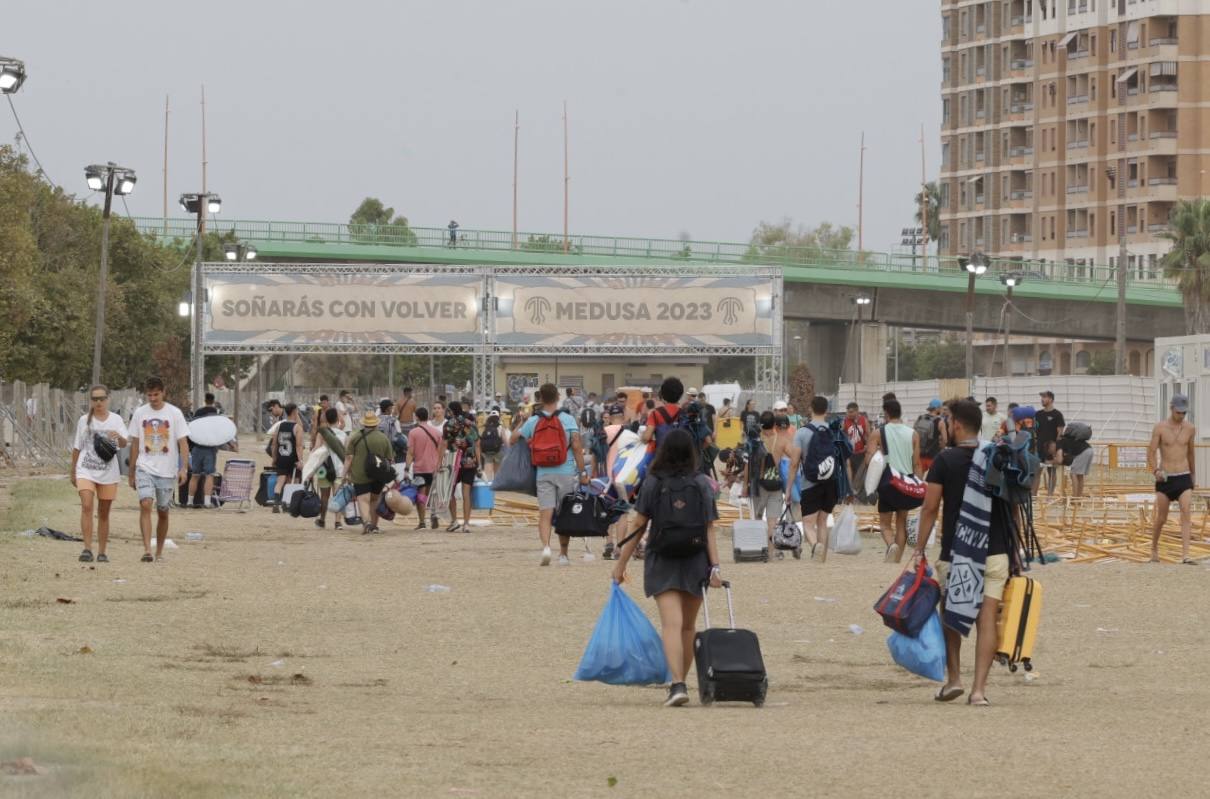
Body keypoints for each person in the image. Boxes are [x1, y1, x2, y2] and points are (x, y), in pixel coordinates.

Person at [611, 428, 723, 707]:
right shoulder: (702, 483)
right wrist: (716, 567)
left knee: (671, 624)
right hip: (696, 558)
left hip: (663, 558)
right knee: (688, 626)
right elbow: (710, 528)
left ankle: (678, 684)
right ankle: (679, 683)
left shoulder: (653, 482)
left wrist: (621, 564)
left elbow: (638, 526)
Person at [912, 399, 1012, 707]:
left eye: (946, 420)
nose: (943, 425)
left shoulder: (945, 460)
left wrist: (918, 549)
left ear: (956, 424)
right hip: (995, 551)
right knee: (986, 620)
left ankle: (954, 679)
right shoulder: (996, 457)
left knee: (952, 614)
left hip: (957, 551)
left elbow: (930, 508)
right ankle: (978, 691)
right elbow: (1013, 506)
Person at [513, 383, 589, 566]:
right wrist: (583, 472)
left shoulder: (534, 420)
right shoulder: (568, 419)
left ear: (540, 399)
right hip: (566, 470)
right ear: (557, 398)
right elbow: (577, 446)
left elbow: (512, 439)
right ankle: (563, 554)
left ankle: (546, 547)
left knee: (545, 513)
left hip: (543, 472)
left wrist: (523, 422)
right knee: (564, 514)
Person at [127, 376, 191, 563]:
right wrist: (131, 472)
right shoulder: (140, 413)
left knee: (163, 510)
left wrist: (183, 468)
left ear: (163, 393)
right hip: (144, 466)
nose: (153, 398)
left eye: (156, 394)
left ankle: (159, 551)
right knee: (145, 503)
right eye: (149, 395)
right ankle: (147, 550)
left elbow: (183, 443)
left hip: (166, 470)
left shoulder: (174, 413)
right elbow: (135, 443)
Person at [71, 385, 127, 563]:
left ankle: (102, 551)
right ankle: (87, 549)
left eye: (102, 398)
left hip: (108, 472)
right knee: (87, 506)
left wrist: (118, 436)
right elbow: (77, 447)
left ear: (108, 399)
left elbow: (125, 444)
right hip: (86, 469)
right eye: (95, 399)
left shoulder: (116, 419)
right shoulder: (83, 420)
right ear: (91, 401)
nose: (98, 402)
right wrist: (73, 471)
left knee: (104, 512)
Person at [866, 398, 920, 563]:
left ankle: (891, 546)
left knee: (884, 524)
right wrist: (918, 483)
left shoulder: (878, 433)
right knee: (901, 522)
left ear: (887, 413)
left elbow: (869, 459)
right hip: (906, 482)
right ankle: (897, 558)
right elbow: (916, 463)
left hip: (888, 483)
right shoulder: (913, 434)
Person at [786, 396, 839, 561]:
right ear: (827, 410)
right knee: (822, 521)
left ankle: (816, 547)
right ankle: (821, 558)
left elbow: (794, 463)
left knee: (808, 523)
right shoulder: (833, 431)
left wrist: (788, 489)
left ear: (811, 409)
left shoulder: (802, 433)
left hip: (810, 482)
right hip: (831, 481)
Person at [1148, 394, 1198, 564]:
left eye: (1184, 413)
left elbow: (1191, 452)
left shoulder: (1190, 428)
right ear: (1171, 409)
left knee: (1186, 512)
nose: (1181, 416)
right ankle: (1154, 549)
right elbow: (1151, 452)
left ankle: (1186, 554)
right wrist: (1155, 470)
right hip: (1166, 478)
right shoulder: (1160, 428)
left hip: (1183, 476)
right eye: (1178, 412)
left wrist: (1193, 475)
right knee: (1162, 517)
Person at [343, 410, 393, 534]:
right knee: (375, 500)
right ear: (376, 424)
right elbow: (390, 459)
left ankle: (367, 523)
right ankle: (374, 526)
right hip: (378, 474)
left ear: (363, 424)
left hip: (360, 474)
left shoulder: (355, 437)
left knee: (363, 499)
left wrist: (344, 474)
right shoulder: (383, 438)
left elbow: (349, 458)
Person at [744, 411, 786, 556]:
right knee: (772, 521)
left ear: (761, 425)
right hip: (776, 483)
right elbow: (791, 461)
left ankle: (758, 549)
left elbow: (747, 463)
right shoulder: (781, 440)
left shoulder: (754, 440)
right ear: (774, 424)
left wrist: (745, 486)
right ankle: (771, 551)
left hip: (758, 484)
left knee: (757, 517)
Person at [443, 401, 480, 533]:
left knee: (450, 492)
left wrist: (438, 463)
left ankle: (454, 521)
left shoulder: (448, 425)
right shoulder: (470, 424)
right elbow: (477, 444)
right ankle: (466, 524)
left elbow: (444, 444)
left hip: (453, 462)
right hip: (469, 461)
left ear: (451, 411)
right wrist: (479, 464)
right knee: (466, 493)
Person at [405, 407, 443, 529]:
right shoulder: (437, 432)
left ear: (416, 417)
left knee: (421, 495)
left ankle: (422, 522)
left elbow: (410, 452)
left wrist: (406, 468)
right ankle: (434, 513)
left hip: (419, 468)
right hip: (434, 467)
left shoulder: (413, 433)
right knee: (433, 493)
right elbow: (440, 451)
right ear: (428, 417)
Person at [313, 407, 347, 530]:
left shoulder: (322, 434)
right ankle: (338, 522)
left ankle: (322, 520)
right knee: (338, 496)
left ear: (326, 419)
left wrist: (311, 468)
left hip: (324, 469)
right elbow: (347, 455)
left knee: (324, 496)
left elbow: (316, 450)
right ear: (337, 419)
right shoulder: (343, 434)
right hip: (340, 469)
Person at [186, 393, 220, 509]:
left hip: (197, 447)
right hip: (209, 448)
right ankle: (206, 502)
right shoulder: (216, 414)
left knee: (195, 475)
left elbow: (192, 428)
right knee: (209, 475)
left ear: (205, 400)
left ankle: (190, 502)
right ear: (213, 400)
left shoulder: (198, 413)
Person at [270, 403, 302, 513]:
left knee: (280, 481)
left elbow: (274, 444)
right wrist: (300, 460)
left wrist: (274, 458)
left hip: (281, 456)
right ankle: (286, 503)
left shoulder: (279, 426)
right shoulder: (297, 427)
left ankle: (276, 502)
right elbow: (298, 446)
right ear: (294, 412)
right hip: (292, 457)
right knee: (291, 481)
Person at [1034, 391, 1065, 496]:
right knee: (1036, 471)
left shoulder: (1057, 414)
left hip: (1051, 448)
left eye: (1044, 397)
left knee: (1051, 472)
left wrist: (1056, 449)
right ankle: (1033, 496)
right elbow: (1034, 431)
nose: (1042, 399)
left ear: (1051, 399)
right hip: (1039, 447)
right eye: (1041, 397)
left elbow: (1060, 433)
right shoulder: (1038, 414)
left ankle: (1050, 496)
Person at [915, 399, 948, 473]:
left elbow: (913, 433)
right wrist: (941, 448)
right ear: (937, 409)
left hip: (920, 455)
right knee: (933, 480)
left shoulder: (920, 418)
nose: (942, 410)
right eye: (941, 408)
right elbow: (945, 440)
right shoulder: (940, 422)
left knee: (919, 481)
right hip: (933, 457)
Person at [842, 402, 869, 489]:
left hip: (861, 452)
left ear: (857, 411)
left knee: (860, 474)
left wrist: (867, 446)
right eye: (848, 412)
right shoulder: (845, 421)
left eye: (851, 412)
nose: (849, 414)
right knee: (849, 472)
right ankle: (850, 491)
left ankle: (858, 493)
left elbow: (869, 435)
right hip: (849, 453)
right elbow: (840, 435)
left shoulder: (864, 420)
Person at [478, 410, 505, 479]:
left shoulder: (484, 427)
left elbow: (479, 440)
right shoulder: (500, 427)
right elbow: (504, 439)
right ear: (498, 417)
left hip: (487, 452)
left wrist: (481, 452)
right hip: (498, 451)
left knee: (488, 472)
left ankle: (488, 484)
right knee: (497, 472)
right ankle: (496, 485)